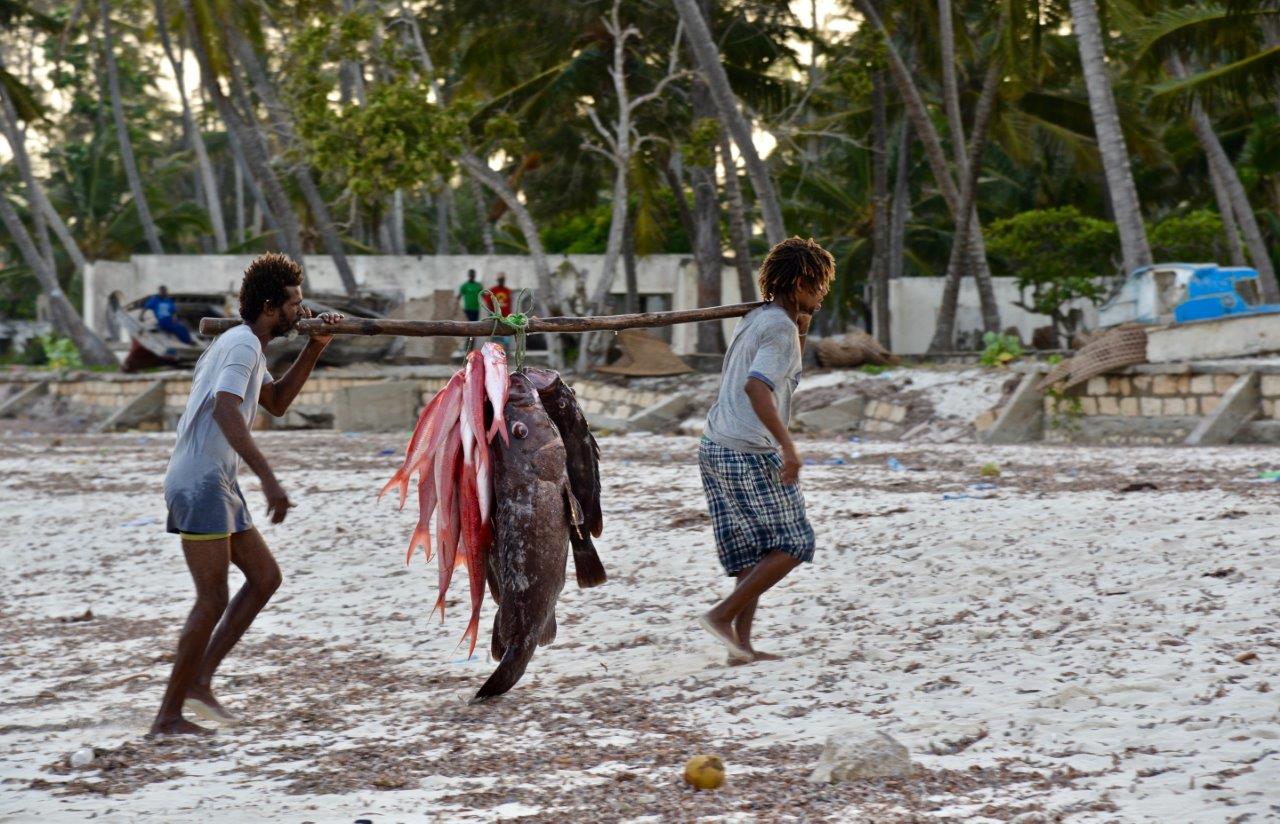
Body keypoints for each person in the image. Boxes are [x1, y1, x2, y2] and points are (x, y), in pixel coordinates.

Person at [151, 253, 343, 736]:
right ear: (268, 306)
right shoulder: (239, 346)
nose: (301, 311)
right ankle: (168, 715)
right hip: (200, 480)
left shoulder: (248, 348)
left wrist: (317, 346)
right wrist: (269, 479)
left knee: (263, 578)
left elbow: (275, 403)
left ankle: (198, 682)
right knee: (211, 598)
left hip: (217, 480)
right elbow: (225, 410)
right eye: (294, 305)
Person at [695, 237, 834, 664]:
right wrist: (790, 450)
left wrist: (803, 323)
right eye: (818, 285)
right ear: (798, 284)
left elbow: (789, 371)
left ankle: (741, 647)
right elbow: (758, 387)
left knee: (753, 551)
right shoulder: (777, 326)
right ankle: (721, 616)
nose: (824, 293)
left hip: (715, 444)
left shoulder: (760, 318)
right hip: (748, 449)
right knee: (794, 542)